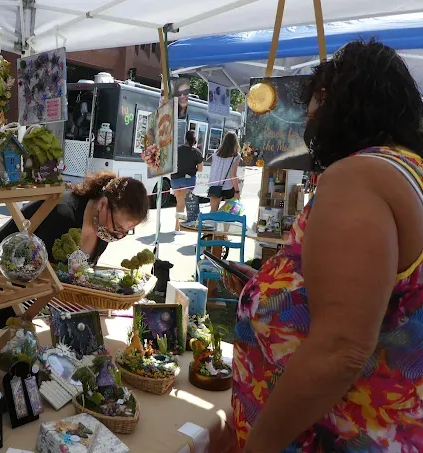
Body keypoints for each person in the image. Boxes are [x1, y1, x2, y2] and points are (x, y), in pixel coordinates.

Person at [223, 40, 423, 452]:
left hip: (336, 435)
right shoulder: (408, 171)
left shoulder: (357, 177)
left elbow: (341, 350)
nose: (308, 118)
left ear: (332, 100)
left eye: (313, 103)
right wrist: (273, 287)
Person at [0, 172, 149, 327]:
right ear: (103, 204)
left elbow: (76, 276)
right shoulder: (63, 215)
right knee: (15, 342)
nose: (118, 235)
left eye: (126, 232)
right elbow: (38, 273)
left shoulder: (103, 228)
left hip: (32, 287)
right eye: (117, 227)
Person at [172, 130, 204, 229]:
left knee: (179, 203)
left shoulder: (177, 149)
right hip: (189, 181)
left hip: (175, 180)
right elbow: (200, 169)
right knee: (182, 204)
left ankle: (177, 226)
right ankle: (178, 227)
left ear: (185, 138)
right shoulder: (196, 152)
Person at [207, 131, 241, 213]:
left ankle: (212, 225)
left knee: (213, 212)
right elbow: (233, 175)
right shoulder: (236, 156)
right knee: (229, 213)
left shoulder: (216, 153)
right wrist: (237, 191)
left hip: (214, 185)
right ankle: (224, 226)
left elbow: (213, 169)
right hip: (228, 187)